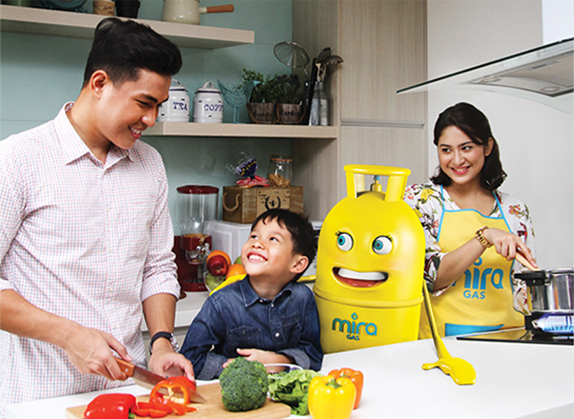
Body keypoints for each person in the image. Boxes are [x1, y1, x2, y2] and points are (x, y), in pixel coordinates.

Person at [0, 18, 194, 415]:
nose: (151, 119)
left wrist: (161, 343)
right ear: (100, 83)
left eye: (158, 106)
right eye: (144, 103)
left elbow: (157, 266)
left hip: (129, 394)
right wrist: (69, 335)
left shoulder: (150, 164)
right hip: (40, 397)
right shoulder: (18, 160)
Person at [403, 102, 537, 338]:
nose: (457, 160)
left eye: (466, 148)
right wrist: (485, 237)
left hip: (510, 340)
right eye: (446, 150)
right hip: (443, 343)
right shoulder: (421, 201)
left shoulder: (514, 210)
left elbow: (525, 289)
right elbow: (430, 278)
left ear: (487, 147)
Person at [180, 209, 323, 379]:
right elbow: (190, 359)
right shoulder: (221, 302)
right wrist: (236, 367)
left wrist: (277, 362)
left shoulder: (303, 298)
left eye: (273, 239)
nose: (257, 243)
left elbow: (313, 354)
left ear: (297, 264)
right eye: (254, 236)